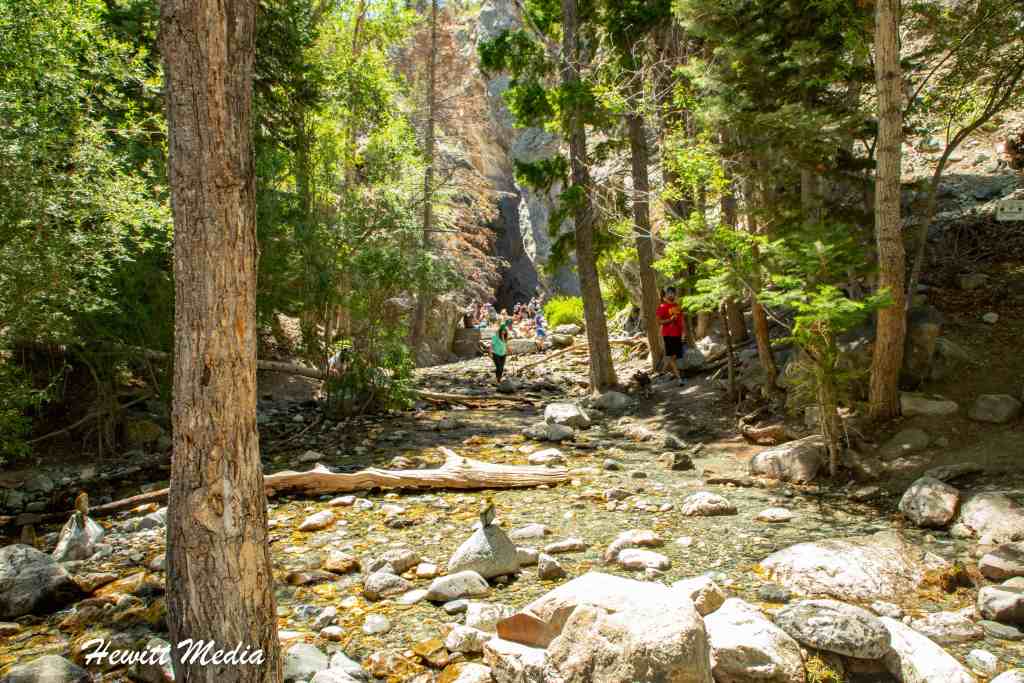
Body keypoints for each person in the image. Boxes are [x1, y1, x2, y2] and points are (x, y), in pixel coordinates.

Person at [656, 287, 686, 386]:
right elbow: (659, 321)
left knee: (673, 357)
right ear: (666, 295)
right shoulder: (662, 307)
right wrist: (670, 319)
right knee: (671, 356)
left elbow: (681, 320)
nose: (671, 295)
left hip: (678, 334)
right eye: (669, 293)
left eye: (673, 293)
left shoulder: (677, 306)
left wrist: (683, 333)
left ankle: (662, 372)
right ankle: (679, 379)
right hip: (668, 334)